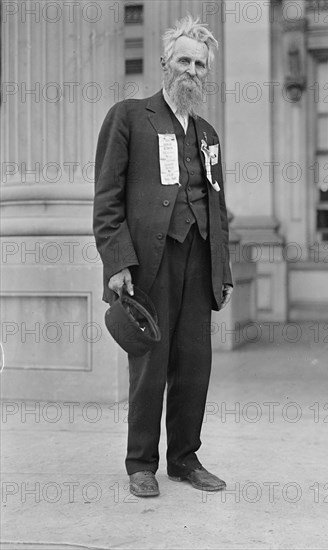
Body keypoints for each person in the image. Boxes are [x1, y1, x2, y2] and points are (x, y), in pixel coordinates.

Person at [93, 15, 233, 498]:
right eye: (183, 60)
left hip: (199, 262)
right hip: (150, 262)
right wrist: (117, 262)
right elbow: (108, 197)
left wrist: (224, 270)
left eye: (199, 64)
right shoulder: (130, 117)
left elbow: (216, 206)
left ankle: (185, 459)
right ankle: (140, 462)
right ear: (164, 63)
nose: (191, 70)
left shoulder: (209, 135)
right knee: (150, 363)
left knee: (195, 362)